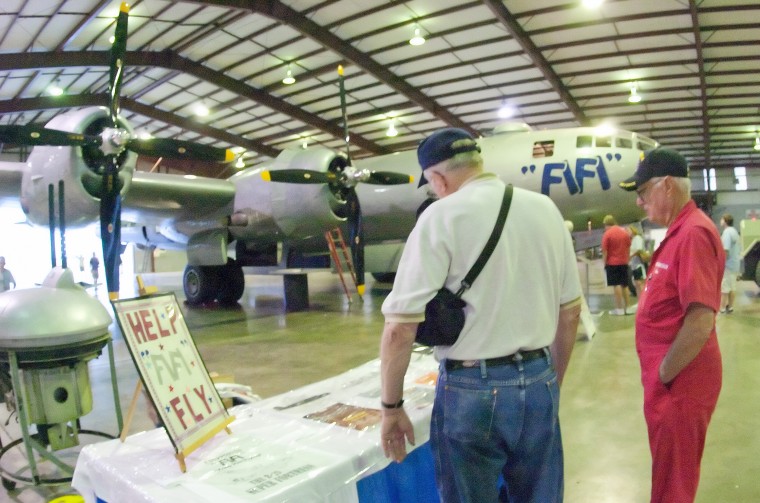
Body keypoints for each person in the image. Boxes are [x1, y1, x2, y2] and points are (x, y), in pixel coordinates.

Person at [379, 127, 582, 502]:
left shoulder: (441, 217)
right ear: (478, 162)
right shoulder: (546, 209)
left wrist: (391, 408)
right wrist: (551, 383)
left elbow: (399, 329)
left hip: (473, 389)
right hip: (540, 379)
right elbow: (569, 313)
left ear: (437, 178)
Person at [619, 147, 723, 503]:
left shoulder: (693, 234)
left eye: (643, 191)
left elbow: (700, 319)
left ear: (666, 186)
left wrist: (663, 374)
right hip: (671, 382)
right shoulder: (680, 232)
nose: (639, 202)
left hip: (680, 384)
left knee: (673, 485)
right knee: (668, 475)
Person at [601, 214, 632, 315]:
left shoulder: (607, 234)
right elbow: (628, 246)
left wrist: (604, 263)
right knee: (625, 285)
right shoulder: (624, 232)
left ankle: (619, 309)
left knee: (616, 285)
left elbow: (605, 251)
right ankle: (627, 307)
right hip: (624, 262)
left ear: (606, 224)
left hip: (612, 263)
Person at [719, 213, 740, 313]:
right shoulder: (734, 231)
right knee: (733, 287)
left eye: (722, 219)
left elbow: (725, 250)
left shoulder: (727, 232)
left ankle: (722, 309)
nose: (720, 221)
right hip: (735, 264)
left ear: (725, 221)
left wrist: (721, 263)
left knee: (725, 288)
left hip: (728, 264)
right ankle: (730, 307)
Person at [628, 225, 647, 299]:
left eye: (628, 230)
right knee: (637, 283)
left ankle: (644, 300)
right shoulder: (632, 240)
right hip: (634, 265)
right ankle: (640, 301)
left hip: (639, 264)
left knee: (640, 283)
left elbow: (639, 250)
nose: (627, 232)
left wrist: (630, 256)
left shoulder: (637, 238)